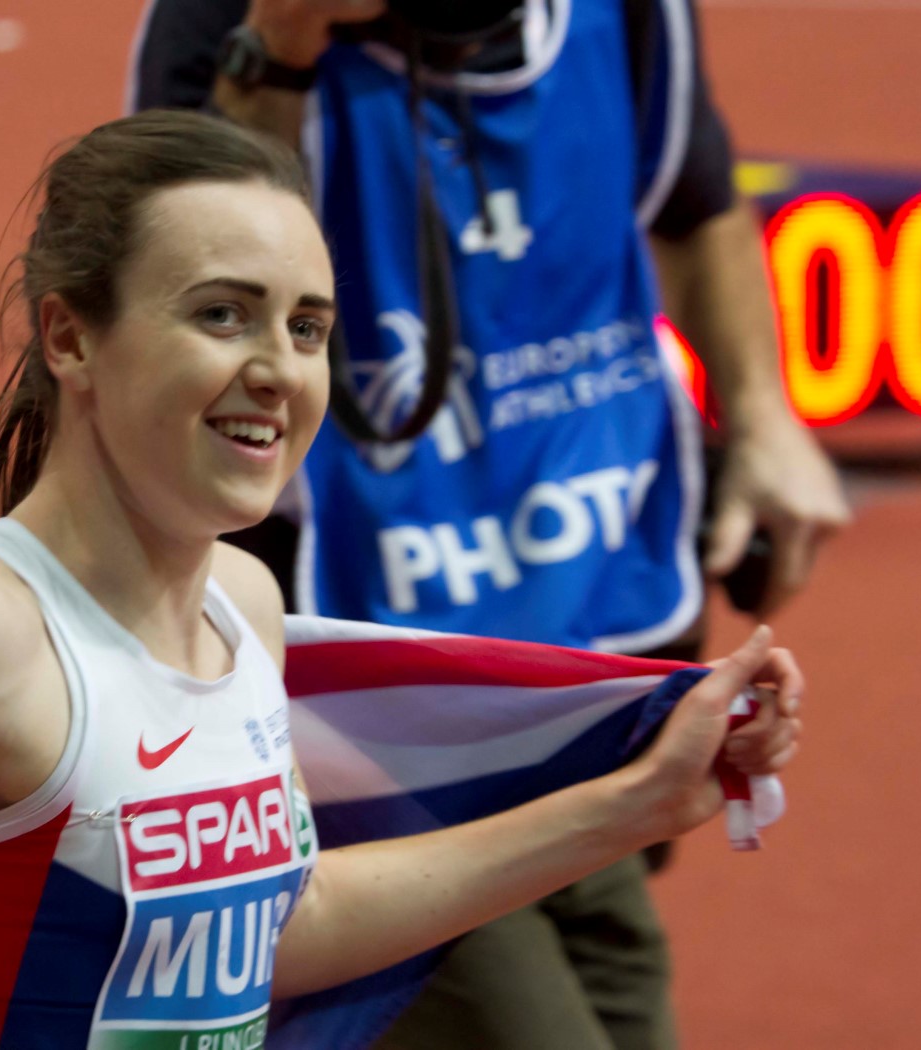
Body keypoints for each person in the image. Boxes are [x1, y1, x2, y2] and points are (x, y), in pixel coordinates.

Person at [0, 109, 802, 1050]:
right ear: (70, 338)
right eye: (221, 315)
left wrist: (642, 800)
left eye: (305, 326)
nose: (276, 372)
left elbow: (276, 931)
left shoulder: (245, 608)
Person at [130, 3, 848, 1047]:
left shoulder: (628, 16)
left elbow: (692, 204)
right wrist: (280, 47)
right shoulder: (223, 21)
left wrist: (767, 415)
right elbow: (186, 275)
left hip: (586, 631)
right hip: (364, 689)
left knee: (622, 998)